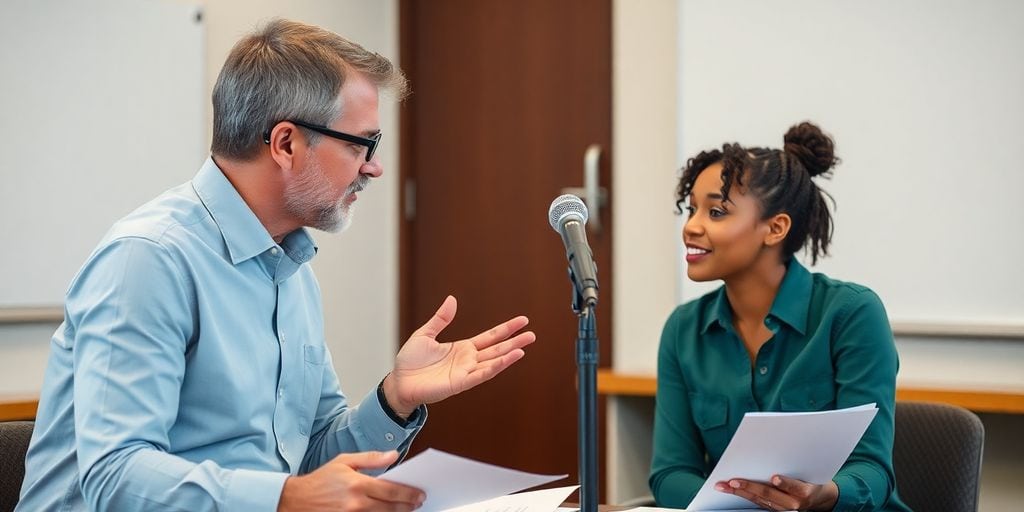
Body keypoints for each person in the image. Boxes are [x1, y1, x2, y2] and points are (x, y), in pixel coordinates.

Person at [17, 19, 536, 512]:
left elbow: (309, 462)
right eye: (364, 144)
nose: (374, 167)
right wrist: (285, 499)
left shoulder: (289, 266)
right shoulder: (149, 260)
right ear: (286, 143)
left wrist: (394, 399)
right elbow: (115, 479)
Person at [649, 122, 911, 511]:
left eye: (716, 212)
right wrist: (746, 503)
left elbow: (871, 469)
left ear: (775, 228)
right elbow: (670, 473)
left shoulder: (851, 314)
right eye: (691, 210)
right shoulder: (683, 330)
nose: (691, 227)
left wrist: (826, 495)